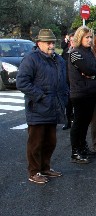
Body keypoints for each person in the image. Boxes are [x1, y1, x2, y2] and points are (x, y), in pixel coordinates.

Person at [16, 29, 68, 185]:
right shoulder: (31, 59)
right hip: (38, 108)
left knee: (50, 142)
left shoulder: (59, 60)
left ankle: (45, 167)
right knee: (36, 143)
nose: (51, 45)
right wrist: (40, 96)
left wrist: (65, 96)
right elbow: (22, 82)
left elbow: (64, 82)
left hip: (54, 107)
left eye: (53, 42)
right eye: (48, 43)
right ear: (39, 43)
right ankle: (34, 171)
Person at [68, 26, 96, 163]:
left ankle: (83, 147)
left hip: (91, 91)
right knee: (79, 123)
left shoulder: (90, 53)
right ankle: (76, 151)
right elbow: (87, 69)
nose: (89, 40)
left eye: (90, 37)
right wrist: (93, 73)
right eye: (87, 37)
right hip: (79, 92)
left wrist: (93, 74)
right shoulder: (75, 53)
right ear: (79, 38)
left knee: (86, 122)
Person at [61, 33, 75, 130]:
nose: (73, 42)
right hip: (67, 80)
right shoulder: (66, 52)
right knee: (68, 103)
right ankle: (68, 121)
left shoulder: (81, 52)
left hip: (78, 82)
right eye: (71, 40)